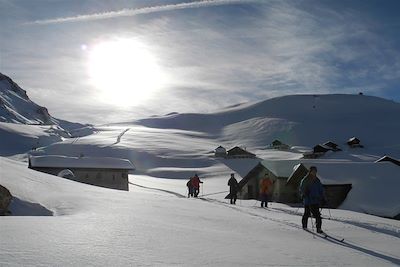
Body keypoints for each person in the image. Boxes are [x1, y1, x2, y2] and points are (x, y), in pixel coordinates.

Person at [299, 166, 325, 233]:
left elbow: (320, 189)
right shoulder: (305, 180)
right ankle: (304, 226)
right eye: (313, 171)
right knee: (307, 214)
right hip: (308, 200)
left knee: (318, 215)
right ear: (310, 172)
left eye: (315, 171)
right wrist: (305, 193)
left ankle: (318, 228)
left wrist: (323, 197)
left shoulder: (317, 180)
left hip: (315, 200)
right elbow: (301, 188)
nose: (314, 172)